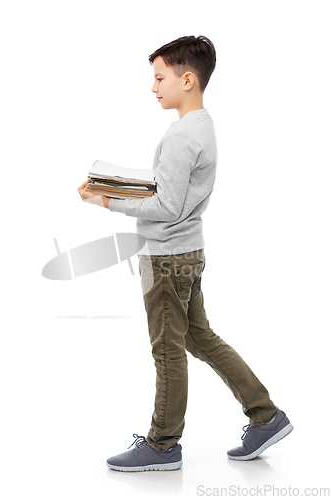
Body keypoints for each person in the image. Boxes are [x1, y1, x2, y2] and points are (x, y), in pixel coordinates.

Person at [77, 35, 293, 472]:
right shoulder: (201, 126)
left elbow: (165, 207)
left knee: (168, 350)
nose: (153, 87)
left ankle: (162, 445)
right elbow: (172, 194)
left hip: (167, 258)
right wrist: (120, 186)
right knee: (199, 338)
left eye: (159, 78)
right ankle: (266, 416)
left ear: (188, 79)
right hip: (187, 252)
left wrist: (106, 201)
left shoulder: (180, 136)